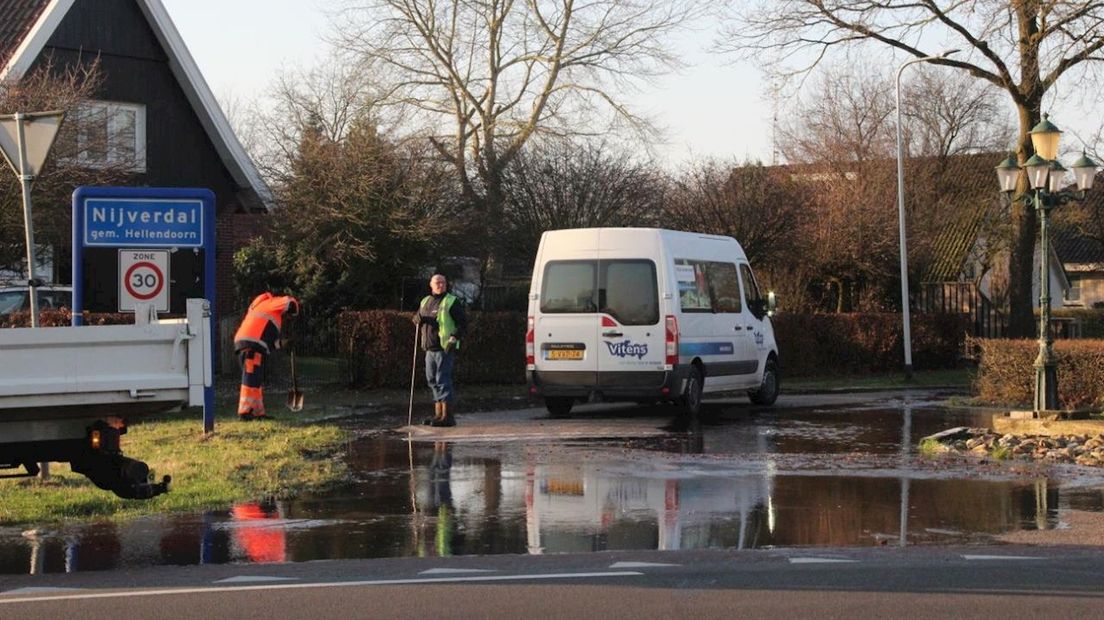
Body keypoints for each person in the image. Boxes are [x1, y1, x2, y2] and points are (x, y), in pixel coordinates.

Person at [233, 291, 300, 421]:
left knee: (256, 379)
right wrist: (295, 310)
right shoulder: (270, 303)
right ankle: (244, 412)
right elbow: (289, 301)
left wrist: (284, 343)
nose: (287, 317)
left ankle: (258, 412)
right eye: (288, 315)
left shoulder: (266, 314)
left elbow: (269, 344)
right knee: (251, 378)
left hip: (251, 344)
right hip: (252, 345)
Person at [412, 274, 466, 427]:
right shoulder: (425, 301)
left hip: (444, 347)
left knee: (443, 380)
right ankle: (438, 414)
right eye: (437, 283)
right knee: (432, 380)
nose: (440, 285)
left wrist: (454, 338)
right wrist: (416, 319)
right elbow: (419, 316)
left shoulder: (451, 301)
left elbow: (462, 323)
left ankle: (447, 416)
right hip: (429, 348)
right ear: (431, 285)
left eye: (443, 282)